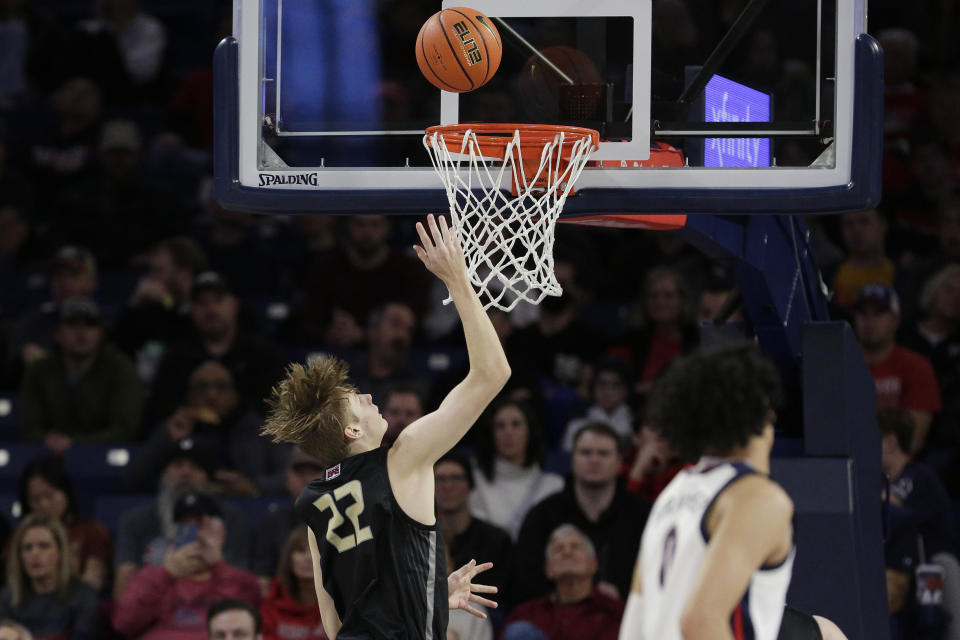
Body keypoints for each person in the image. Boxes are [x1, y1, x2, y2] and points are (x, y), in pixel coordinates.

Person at [262, 215, 509, 639]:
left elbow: (335, 619)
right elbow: (492, 373)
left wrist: (424, 597)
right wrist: (457, 280)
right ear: (351, 433)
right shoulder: (404, 456)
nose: (368, 397)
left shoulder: (313, 502)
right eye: (355, 401)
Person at [619, 342, 839, 640]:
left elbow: (634, 619)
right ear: (764, 412)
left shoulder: (672, 493)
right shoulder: (755, 496)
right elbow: (700, 620)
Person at [514, 423, 649, 602]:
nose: (594, 460)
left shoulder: (642, 514)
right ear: (572, 459)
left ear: (619, 462)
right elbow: (525, 578)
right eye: (586, 453)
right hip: (557, 616)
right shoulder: (543, 515)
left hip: (625, 614)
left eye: (603, 453)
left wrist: (622, 595)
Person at [114, 440, 253, 601]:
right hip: (153, 611)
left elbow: (238, 583)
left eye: (195, 466)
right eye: (178, 465)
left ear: (207, 477)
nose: (186, 473)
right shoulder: (136, 521)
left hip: (213, 611)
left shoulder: (231, 518)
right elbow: (124, 593)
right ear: (164, 474)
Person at [113, 491, 261, 640]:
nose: (195, 533)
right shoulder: (152, 577)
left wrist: (218, 566)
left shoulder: (240, 580)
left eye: (200, 524)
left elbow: (241, 626)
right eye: (184, 525)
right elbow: (125, 624)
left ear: (221, 531)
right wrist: (165, 574)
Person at [131, 360, 290, 496]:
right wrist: (166, 440)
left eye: (220, 387)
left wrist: (254, 486)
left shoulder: (263, 430)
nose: (211, 394)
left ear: (234, 394)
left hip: (245, 507)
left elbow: (291, 475)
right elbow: (134, 481)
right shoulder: (175, 427)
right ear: (189, 395)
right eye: (201, 387)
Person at [147, 271, 285, 422]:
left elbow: (274, 410)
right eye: (202, 303)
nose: (211, 309)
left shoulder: (262, 354)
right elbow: (160, 410)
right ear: (192, 310)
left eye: (218, 300)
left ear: (234, 305)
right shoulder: (177, 357)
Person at [20, 295, 144, 453]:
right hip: (49, 456)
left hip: (103, 456)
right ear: (57, 333)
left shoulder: (121, 368)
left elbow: (124, 430)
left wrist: (73, 443)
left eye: (89, 325)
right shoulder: (39, 371)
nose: (81, 332)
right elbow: (29, 428)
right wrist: (47, 440)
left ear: (100, 333)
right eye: (72, 324)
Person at [853, 284, 941, 452]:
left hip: (897, 467)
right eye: (863, 313)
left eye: (879, 313)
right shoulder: (838, 364)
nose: (869, 321)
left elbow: (912, 441)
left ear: (895, 320)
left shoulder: (916, 367)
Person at [501, 525, 624, 640]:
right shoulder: (526, 614)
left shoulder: (616, 613)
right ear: (548, 569)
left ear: (594, 564)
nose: (567, 552)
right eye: (558, 549)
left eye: (576, 547)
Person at [470, 399, 564, 540]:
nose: (508, 432)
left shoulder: (554, 485)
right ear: (491, 434)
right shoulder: (473, 481)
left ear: (529, 432)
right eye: (500, 426)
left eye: (516, 424)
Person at [18, 456, 112, 592]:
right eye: (36, 499)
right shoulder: (21, 537)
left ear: (65, 493)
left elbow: (93, 584)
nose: (44, 504)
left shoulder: (91, 532)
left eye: (49, 495)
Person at [0, 514, 99, 640]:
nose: (34, 554)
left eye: (44, 546)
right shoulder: (7, 598)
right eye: (27, 548)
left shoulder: (83, 596)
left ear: (60, 551)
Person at [436, 453, 515, 604]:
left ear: (470, 485)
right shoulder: (418, 539)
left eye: (456, 478)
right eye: (440, 479)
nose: (448, 486)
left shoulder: (496, 541)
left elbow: (500, 597)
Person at [253, 448, 325, 589]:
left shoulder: (346, 517)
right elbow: (262, 575)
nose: (307, 479)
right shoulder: (273, 519)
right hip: (284, 598)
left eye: (314, 472)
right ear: (287, 478)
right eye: (300, 472)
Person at [259, 527, 327, 640]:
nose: (309, 558)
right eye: (300, 551)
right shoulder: (272, 598)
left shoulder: (342, 602)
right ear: (289, 559)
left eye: (317, 550)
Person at [560, 359, 634, 451]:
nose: (608, 391)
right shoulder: (576, 425)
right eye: (602, 384)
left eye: (615, 385)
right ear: (593, 388)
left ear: (626, 390)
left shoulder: (636, 427)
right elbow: (566, 462)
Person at [833, 208, 895, 308]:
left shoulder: (903, 276)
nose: (856, 229)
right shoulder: (826, 276)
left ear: (883, 225)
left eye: (864, 221)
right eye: (849, 224)